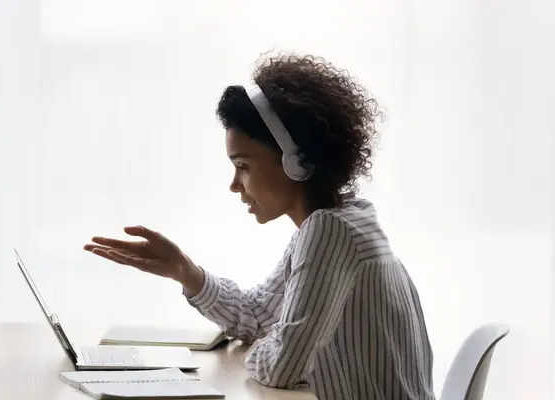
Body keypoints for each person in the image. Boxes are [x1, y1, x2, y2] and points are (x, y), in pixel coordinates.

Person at [84, 53, 435, 400]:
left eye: (243, 165)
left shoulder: (329, 230)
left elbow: (283, 366)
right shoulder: (338, 223)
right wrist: (185, 271)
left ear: (295, 160)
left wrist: (267, 346)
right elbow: (256, 316)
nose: (235, 184)